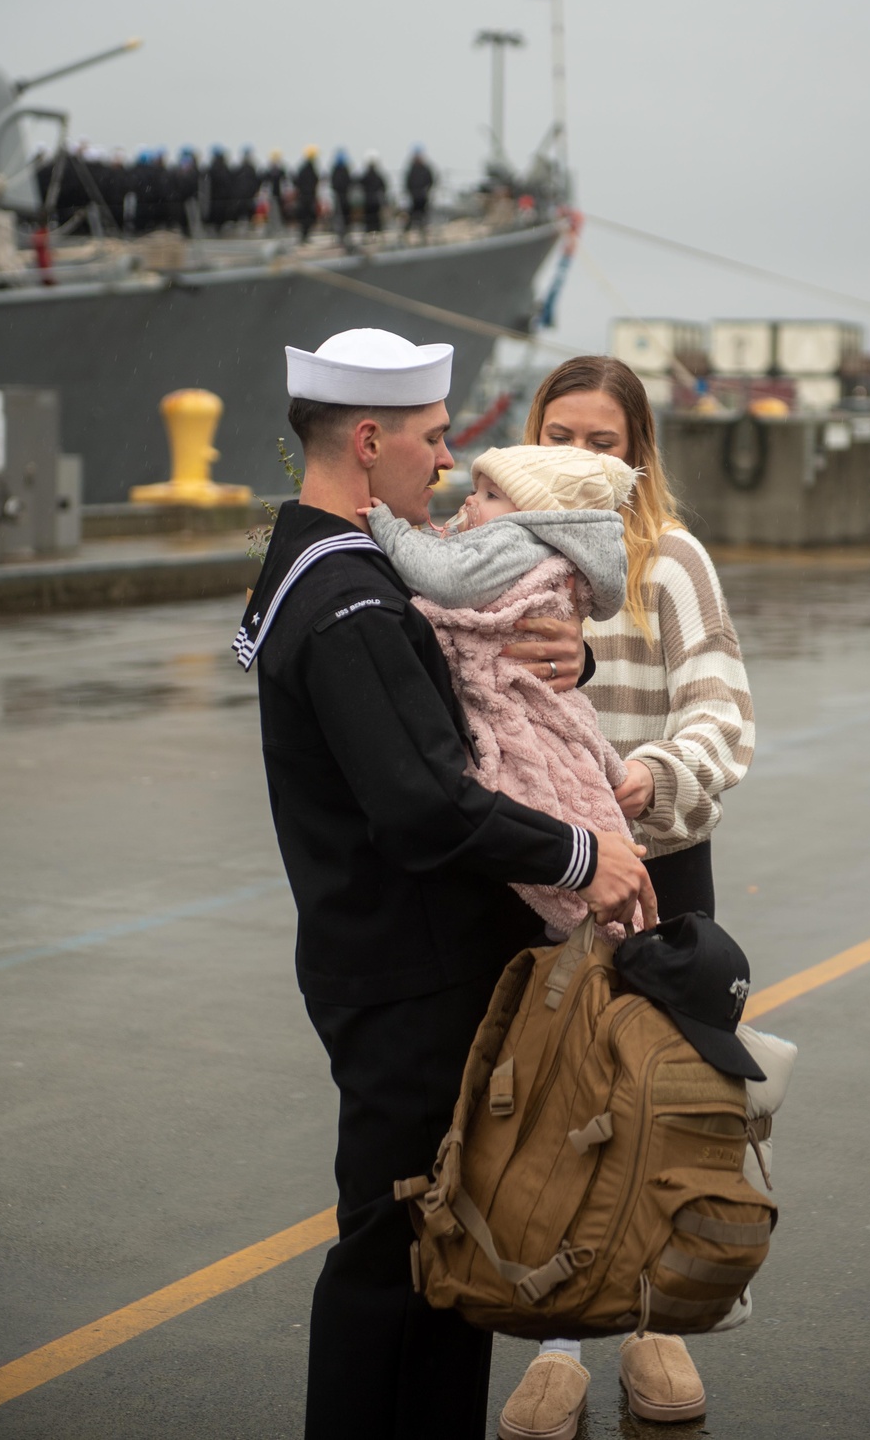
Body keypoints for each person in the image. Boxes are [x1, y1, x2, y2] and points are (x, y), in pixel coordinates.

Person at [232, 328, 657, 1440]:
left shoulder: (327, 571)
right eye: (430, 437)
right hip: (409, 981)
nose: (449, 459)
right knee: (395, 1258)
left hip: (389, 962)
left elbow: (469, 701)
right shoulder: (355, 606)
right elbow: (421, 803)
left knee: (440, 1254)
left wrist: (577, 663)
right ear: (368, 441)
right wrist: (580, 852)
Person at [493, 353, 756, 1433]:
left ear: (637, 456)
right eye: (562, 433)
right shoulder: (494, 557)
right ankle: (557, 1340)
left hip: (656, 862)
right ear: (530, 436)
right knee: (551, 1111)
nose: (580, 455)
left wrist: (644, 779)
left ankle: (654, 1326)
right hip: (532, 872)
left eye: (604, 441)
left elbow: (723, 712)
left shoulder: (669, 562)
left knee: (659, 1105)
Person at [362, 443, 644, 937]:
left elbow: (446, 579)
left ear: (538, 515)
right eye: (475, 489)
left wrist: (387, 529)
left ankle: (578, 895)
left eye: (491, 494)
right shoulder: (532, 545)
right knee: (568, 790)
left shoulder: (515, 541)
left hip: (510, 699)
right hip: (542, 702)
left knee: (533, 793)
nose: (472, 501)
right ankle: (593, 907)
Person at [403, 146, 434, 235]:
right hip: (414, 197)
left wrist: (426, 190)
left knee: (423, 215)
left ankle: (423, 230)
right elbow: (408, 183)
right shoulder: (412, 169)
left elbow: (430, 181)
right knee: (412, 214)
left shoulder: (425, 169)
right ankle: (408, 231)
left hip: (422, 196)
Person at [294, 146, 320, 241]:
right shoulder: (311, 169)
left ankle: (304, 236)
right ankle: (304, 236)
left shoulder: (303, 168)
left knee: (305, 217)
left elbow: (297, 181)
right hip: (308, 197)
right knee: (308, 217)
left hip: (304, 196)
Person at [358, 150, 387, 236]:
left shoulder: (365, 176)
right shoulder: (377, 176)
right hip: (375, 200)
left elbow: (359, 184)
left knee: (369, 218)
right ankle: (377, 232)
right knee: (375, 218)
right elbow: (384, 187)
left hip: (367, 200)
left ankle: (369, 232)